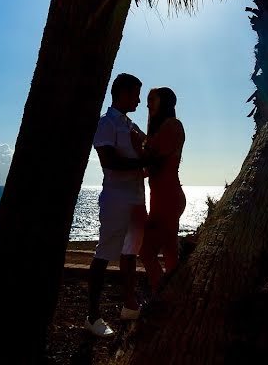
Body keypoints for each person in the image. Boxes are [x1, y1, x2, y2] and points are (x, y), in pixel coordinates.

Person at [84, 73, 148, 338]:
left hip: (136, 195)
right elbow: (109, 162)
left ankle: (129, 306)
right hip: (117, 197)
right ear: (121, 93)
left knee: (131, 252)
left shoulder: (130, 125)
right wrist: (146, 163)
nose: (138, 99)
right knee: (104, 254)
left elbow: (148, 148)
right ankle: (92, 316)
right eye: (135, 93)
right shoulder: (106, 124)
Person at [138, 87, 186, 293]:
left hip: (168, 198)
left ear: (164, 102)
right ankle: (172, 296)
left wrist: (135, 139)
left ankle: (162, 296)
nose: (147, 104)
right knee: (169, 253)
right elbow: (148, 168)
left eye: (151, 99)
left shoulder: (173, 125)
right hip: (161, 198)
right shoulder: (162, 129)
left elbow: (151, 158)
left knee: (147, 252)